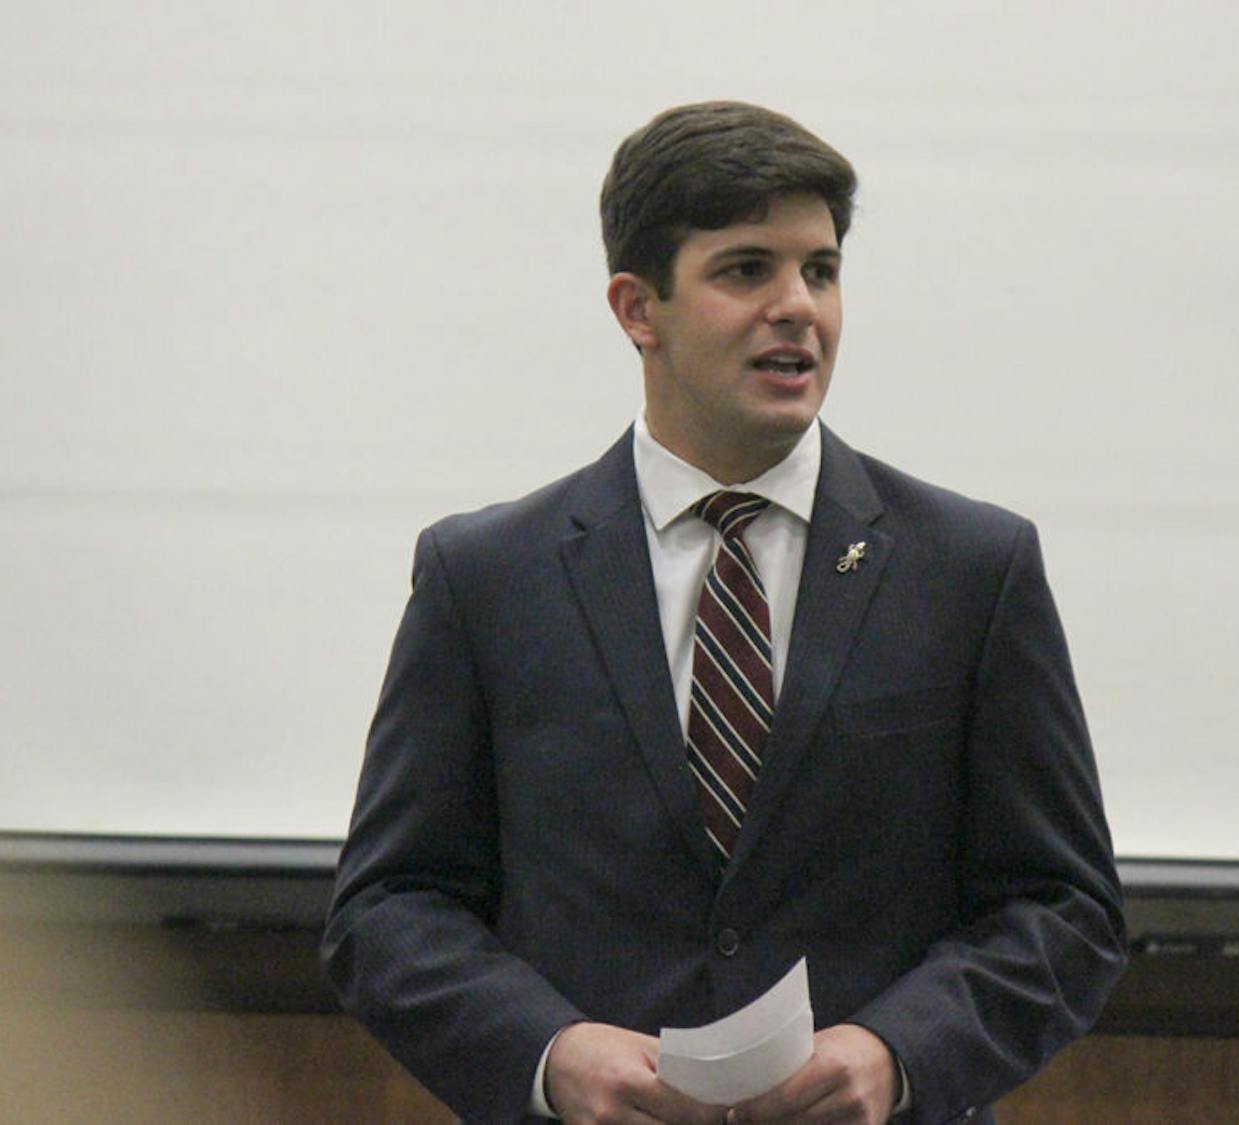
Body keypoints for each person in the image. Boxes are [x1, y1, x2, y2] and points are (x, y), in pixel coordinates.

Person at [323, 100, 1126, 1124]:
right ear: (636, 309)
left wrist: (896, 1053)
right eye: (747, 270)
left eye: (821, 271)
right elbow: (389, 911)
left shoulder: (971, 568)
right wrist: (551, 1054)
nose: (798, 307)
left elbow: (1064, 911)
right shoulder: (487, 576)